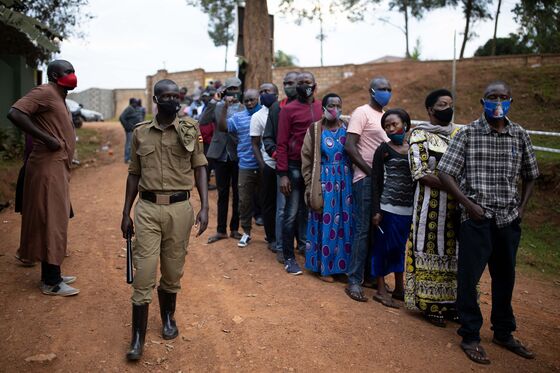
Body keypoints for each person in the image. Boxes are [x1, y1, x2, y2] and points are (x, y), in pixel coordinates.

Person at [438, 81, 539, 365]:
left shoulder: (519, 134)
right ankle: (470, 335)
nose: (498, 102)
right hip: (476, 219)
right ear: (483, 102)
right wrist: (469, 205)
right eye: (492, 97)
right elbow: (446, 173)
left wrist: (521, 208)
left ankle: (503, 332)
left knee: (505, 278)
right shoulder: (468, 134)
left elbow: (531, 174)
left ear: (510, 100)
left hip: (508, 220)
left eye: (504, 97)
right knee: (469, 279)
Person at [120, 79, 208, 361]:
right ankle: (137, 339)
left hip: (180, 209)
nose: (172, 99)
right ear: (156, 99)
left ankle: (168, 318)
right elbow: (134, 172)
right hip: (147, 209)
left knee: (172, 270)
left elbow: (200, 167)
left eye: (176, 95)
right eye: (166, 96)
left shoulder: (189, 129)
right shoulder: (141, 133)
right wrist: (125, 211)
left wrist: (205, 206)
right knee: (144, 272)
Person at [7, 59, 79, 296]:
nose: (72, 75)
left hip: (58, 166)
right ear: (54, 75)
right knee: (52, 220)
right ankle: (51, 281)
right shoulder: (45, 92)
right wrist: (46, 138)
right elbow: (15, 112)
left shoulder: (59, 97)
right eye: (67, 72)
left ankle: (53, 272)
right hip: (47, 166)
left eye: (73, 71)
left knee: (55, 219)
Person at [404, 89, 460, 326]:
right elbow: (421, 172)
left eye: (450, 104)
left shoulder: (459, 134)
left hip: (458, 207)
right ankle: (430, 305)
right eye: (442, 104)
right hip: (430, 207)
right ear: (430, 110)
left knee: (455, 254)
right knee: (429, 250)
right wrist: (455, 187)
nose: (447, 108)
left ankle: (453, 304)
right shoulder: (419, 135)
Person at [344, 77, 391, 302]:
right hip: (364, 179)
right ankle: (354, 280)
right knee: (362, 229)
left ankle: (371, 276)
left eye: (389, 88)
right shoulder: (361, 113)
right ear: (371, 91)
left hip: (383, 181)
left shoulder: (386, 117)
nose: (386, 92)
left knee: (377, 229)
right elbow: (350, 146)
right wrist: (369, 171)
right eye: (382, 88)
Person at [301, 93, 353, 282]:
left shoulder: (347, 128)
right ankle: (324, 268)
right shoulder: (315, 130)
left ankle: (341, 267)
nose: (335, 109)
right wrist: (310, 184)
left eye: (338, 105)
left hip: (345, 184)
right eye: (331, 105)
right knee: (326, 223)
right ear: (323, 108)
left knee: (345, 225)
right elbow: (306, 158)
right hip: (324, 183)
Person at [277, 72, 323, 275]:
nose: (304, 86)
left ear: (315, 86)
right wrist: (283, 174)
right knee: (291, 214)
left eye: (308, 83)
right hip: (295, 168)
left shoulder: (322, 107)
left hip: (318, 168)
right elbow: (282, 143)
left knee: (316, 210)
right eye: (301, 83)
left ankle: (313, 253)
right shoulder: (288, 110)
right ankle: (288, 258)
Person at [370, 109, 414, 308]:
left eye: (394, 124)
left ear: (405, 124)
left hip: (407, 209)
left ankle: (399, 288)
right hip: (387, 209)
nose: (390, 129)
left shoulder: (415, 149)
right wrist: (376, 210)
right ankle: (380, 289)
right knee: (382, 248)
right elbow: (376, 182)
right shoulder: (383, 150)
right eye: (386, 126)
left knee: (399, 249)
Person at [262, 71, 301, 263]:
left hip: (308, 167)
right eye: (286, 82)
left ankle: (302, 244)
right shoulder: (277, 108)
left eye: (292, 82)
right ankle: (280, 246)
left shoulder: (311, 108)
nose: (289, 86)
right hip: (285, 166)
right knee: (283, 208)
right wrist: (277, 155)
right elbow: (268, 137)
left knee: (306, 207)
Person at [218, 88, 262, 247]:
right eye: (247, 100)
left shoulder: (266, 114)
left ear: (259, 99)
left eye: (253, 100)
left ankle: (272, 236)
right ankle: (247, 232)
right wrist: (224, 107)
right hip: (245, 165)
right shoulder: (238, 117)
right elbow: (223, 127)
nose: (250, 103)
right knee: (244, 201)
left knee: (267, 201)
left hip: (266, 165)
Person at [203, 77, 245, 243]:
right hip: (220, 154)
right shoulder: (217, 106)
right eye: (231, 88)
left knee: (237, 193)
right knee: (222, 193)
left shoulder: (243, 107)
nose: (234, 91)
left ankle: (234, 229)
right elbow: (203, 121)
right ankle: (221, 230)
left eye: (236, 88)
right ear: (225, 90)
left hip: (237, 154)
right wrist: (214, 101)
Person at [250, 83, 279, 251]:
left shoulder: (284, 111)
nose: (263, 94)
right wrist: (263, 166)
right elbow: (255, 144)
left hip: (285, 164)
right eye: (261, 92)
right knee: (268, 203)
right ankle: (271, 238)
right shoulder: (257, 116)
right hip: (268, 164)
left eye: (267, 91)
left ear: (276, 93)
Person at [120, 98, 143, 163]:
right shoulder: (129, 109)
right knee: (129, 144)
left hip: (134, 129)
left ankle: (131, 158)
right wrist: (127, 127)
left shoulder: (133, 108)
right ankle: (127, 159)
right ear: (131, 103)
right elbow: (121, 117)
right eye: (135, 103)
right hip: (129, 130)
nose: (136, 104)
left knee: (133, 144)